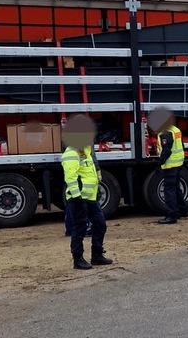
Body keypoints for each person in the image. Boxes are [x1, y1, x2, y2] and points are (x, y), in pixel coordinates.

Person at [62, 115, 112, 270]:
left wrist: (97, 174)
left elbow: (90, 170)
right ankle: (78, 259)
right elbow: (70, 178)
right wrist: (77, 197)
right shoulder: (71, 153)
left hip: (90, 198)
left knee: (100, 225)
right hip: (78, 199)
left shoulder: (86, 152)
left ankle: (97, 255)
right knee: (79, 229)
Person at [155, 117, 188, 224]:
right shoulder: (175, 129)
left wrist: (159, 163)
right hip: (178, 163)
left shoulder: (165, 132)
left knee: (169, 190)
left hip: (170, 165)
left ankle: (171, 215)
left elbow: (167, 150)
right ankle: (182, 211)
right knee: (176, 188)